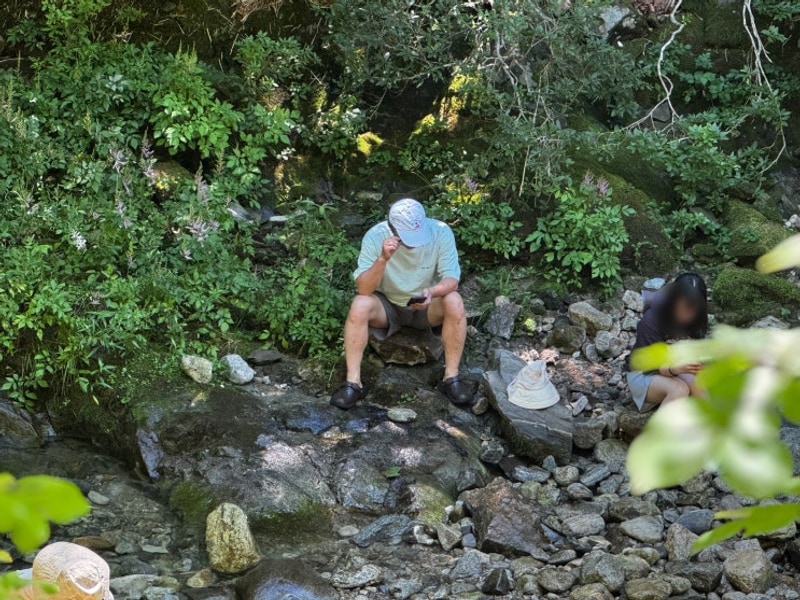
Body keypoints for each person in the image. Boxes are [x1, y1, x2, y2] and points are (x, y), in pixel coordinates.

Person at [330, 198, 472, 410]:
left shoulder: (440, 231)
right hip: (388, 306)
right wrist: (382, 259)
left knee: (454, 300)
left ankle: (451, 378)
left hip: (428, 304)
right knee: (359, 305)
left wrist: (432, 292)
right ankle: (353, 383)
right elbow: (364, 289)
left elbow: (452, 279)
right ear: (393, 229)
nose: (413, 243)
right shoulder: (375, 236)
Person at [627, 272, 709, 412]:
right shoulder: (651, 321)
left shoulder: (698, 319)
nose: (687, 315)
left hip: (677, 369)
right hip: (645, 372)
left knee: (701, 387)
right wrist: (673, 369)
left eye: (693, 310)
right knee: (679, 390)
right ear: (673, 301)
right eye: (683, 307)